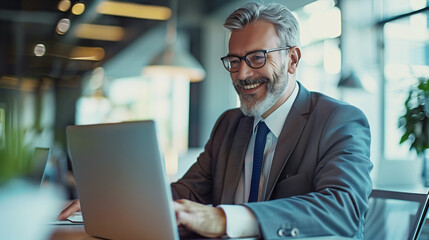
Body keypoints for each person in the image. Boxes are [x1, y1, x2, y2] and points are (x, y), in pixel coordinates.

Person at [58, 2, 373, 239]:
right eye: (234, 61)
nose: (243, 73)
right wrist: (114, 201)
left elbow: (343, 209)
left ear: (292, 59)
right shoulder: (230, 123)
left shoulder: (338, 119)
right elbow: (190, 191)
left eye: (257, 58)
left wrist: (225, 219)